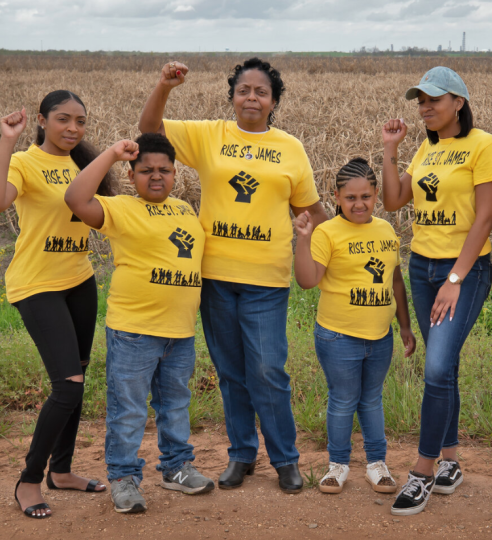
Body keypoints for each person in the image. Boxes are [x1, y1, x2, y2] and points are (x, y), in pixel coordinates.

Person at [138, 57, 328, 493]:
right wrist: (164, 86)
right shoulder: (209, 135)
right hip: (215, 277)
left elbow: (312, 211)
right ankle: (242, 455)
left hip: (267, 279)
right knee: (230, 371)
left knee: (267, 370)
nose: (252, 97)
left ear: (274, 101)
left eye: (261, 92)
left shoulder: (290, 148)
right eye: (244, 90)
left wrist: (347, 243)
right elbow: (150, 130)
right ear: (232, 96)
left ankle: (285, 459)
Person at [64, 133, 213, 513]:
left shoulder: (184, 210)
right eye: (146, 170)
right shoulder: (121, 208)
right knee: (128, 409)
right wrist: (112, 154)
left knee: (176, 404)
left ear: (176, 173)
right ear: (132, 175)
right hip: (134, 331)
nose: (156, 176)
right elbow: (76, 199)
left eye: (164, 169)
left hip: (180, 332)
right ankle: (124, 478)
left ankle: (177, 468)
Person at [0, 91, 111, 519]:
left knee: (78, 379)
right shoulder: (25, 162)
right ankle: (29, 479)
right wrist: (7, 141)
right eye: (62, 119)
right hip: (36, 285)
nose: (73, 128)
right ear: (41, 120)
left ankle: (63, 470)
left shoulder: (80, 164)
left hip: (79, 280)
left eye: (80, 121)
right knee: (67, 385)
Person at [381, 67, 492, 516]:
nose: (425, 107)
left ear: (459, 102)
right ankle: (450, 461)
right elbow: (394, 201)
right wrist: (390, 151)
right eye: (420, 101)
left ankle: (423, 471)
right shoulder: (425, 149)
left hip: (462, 273)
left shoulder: (483, 145)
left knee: (435, 370)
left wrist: (454, 280)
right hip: (421, 268)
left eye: (435, 99)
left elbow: (485, 218)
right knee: (443, 368)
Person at [293, 158, 416, 495]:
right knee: (344, 400)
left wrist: (404, 325)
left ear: (376, 194)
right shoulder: (327, 232)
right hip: (338, 336)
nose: (359, 204)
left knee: (372, 400)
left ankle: (377, 464)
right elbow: (307, 281)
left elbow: (396, 282)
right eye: (350, 198)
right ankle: (338, 465)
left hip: (380, 336)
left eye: (366, 196)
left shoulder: (386, 231)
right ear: (336, 196)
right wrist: (303, 240)